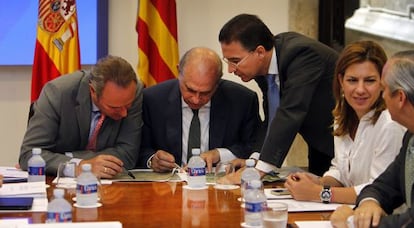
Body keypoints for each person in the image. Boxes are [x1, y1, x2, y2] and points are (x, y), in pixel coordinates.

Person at [284, 41, 405, 204]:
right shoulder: (341, 117)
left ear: (382, 83)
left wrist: (319, 193)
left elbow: (378, 190)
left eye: (369, 80)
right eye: (352, 80)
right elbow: (340, 170)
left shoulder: (390, 124)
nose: (360, 89)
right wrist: (316, 182)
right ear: (341, 81)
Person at [218, 14, 338, 177]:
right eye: (228, 61)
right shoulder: (262, 68)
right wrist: (253, 161)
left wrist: (259, 170)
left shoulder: (302, 55)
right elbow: (272, 118)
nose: (230, 70)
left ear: (260, 52)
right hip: (319, 144)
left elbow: (290, 112)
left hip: (345, 144)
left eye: (235, 61)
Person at [137, 47, 260, 173]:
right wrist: (152, 160)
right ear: (179, 71)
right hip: (168, 185)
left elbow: (254, 146)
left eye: (206, 93)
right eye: (190, 90)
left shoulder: (242, 100)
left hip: (221, 184)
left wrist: (220, 154)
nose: (196, 100)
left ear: (217, 82)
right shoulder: (152, 99)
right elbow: (139, 148)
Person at [19, 55, 143, 178]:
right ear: (93, 91)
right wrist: (79, 166)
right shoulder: (58, 93)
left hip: (110, 185)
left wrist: (69, 157)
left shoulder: (134, 92)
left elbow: (128, 154)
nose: (124, 113)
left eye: (128, 106)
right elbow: (29, 154)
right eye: (114, 108)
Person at [330, 50, 414, 228]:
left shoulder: (392, 125)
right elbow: (384, 186)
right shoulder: (411, 136)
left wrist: (350, 222)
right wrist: (370, 202)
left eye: (384, 89)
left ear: (400, 97)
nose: (382, 96)